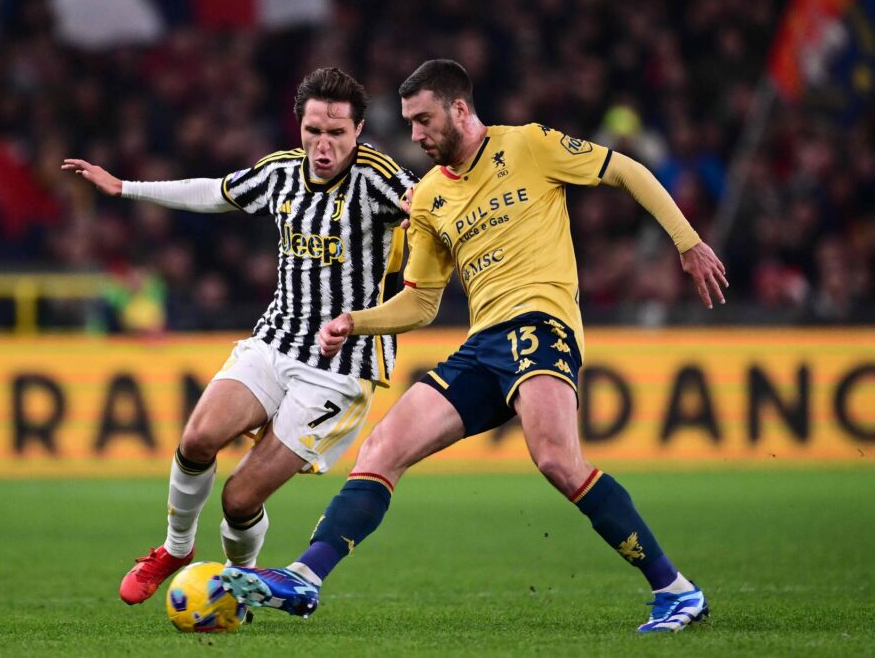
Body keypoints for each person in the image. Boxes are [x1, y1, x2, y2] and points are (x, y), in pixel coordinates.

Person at [220, 59, 728, 633]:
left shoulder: (531, 146)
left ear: (459, 109)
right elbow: (422, 302)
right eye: (409, 123)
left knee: (558, 461)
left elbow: (627, 171)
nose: (415, 135)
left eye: (423, 120)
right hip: (483, 345)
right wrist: (355, 322)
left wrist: (687, 243)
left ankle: (676, 591)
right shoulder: (431, 197)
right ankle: (305, 577)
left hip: (541, 324)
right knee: (383, 447)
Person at [62, 67, 416, 604]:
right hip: (276, 340)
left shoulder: (378, 180)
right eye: (313, 131)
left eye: (337, 133)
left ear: (359, 130)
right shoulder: (280, 173)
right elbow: (214, 191)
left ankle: (237, 582)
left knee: (238, 498)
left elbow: (432, 206)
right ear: (299, 125)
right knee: (198, 438)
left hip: (338, 369)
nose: (324, 145)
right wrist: (125, 188)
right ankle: (176, 549)